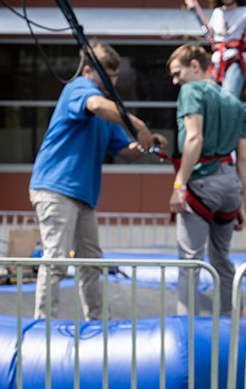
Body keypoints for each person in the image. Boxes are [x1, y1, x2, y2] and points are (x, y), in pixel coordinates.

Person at [30, 43, 166, 320]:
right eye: (107, 75)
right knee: (56, 259)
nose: (112, 82)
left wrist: (144, 145)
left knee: (91, 261)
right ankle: (43, 323)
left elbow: (124, 153)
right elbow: (96, 105)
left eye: (115, 76)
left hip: (83, 196)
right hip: (56, 188)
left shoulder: (107, 115)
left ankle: (96, 319)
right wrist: (138, 125)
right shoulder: (79, 89)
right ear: (89, 70)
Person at [166, 43, 246, 316]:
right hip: (230, 187)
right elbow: (244, 157)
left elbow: (194, 138)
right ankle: (230, 320)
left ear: (195, 66)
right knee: (221, 258)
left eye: (178, 74)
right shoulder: (234, 103)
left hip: (203, 184)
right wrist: (242, 204)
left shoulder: (191, 91)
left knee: (190, 261)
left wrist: (179, 184)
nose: (175, 82)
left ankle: (186, 328)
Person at [184, 0, 246, 98]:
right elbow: (209, 33)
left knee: (228, 96)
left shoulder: (245, 11)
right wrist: (196, 9)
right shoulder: (218, 12)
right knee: (209, 95)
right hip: (217, 59)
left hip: (235, 59)